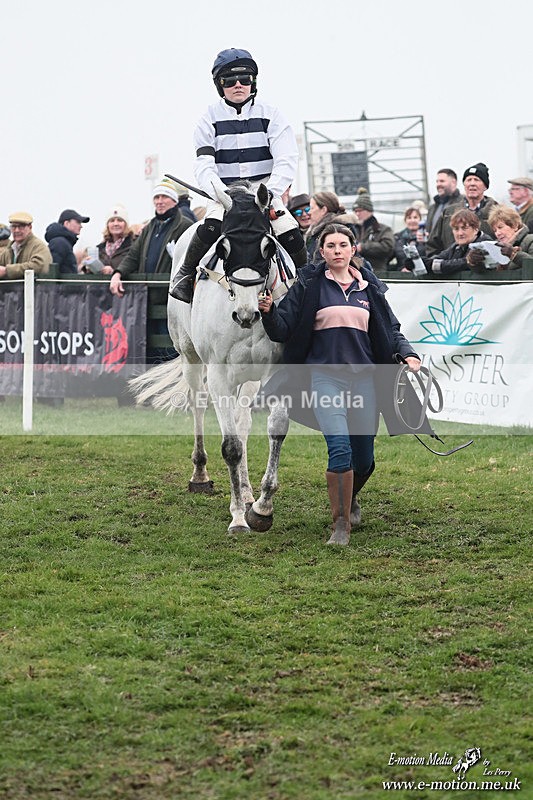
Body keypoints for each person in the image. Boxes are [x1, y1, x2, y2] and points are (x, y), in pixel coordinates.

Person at [258, 223, 422, 546]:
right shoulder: (309, 284)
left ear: (353, 249)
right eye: (330, 245)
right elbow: (282, 328)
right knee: (340, 447)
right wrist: (267, 312)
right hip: (324, 379)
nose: (337, 250)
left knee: (364, 460)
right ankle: (341, 525)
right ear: (322, 252)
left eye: (342, 245)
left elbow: (391, 329)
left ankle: (347, 498)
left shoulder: (368, 288)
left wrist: (408, 353)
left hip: (364, 381)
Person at [170, 47, 306, 302]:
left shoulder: (272, 115)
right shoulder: (207, 119)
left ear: (253, 82)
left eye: (245, 79)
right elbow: (204, 164)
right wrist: (219, 191)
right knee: (211, 226)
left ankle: (308, 282)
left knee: (289, 230)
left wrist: (268, 192)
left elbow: (287, 159)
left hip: (264, 193)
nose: (238, 85)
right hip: (226, 193)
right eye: (229, 81)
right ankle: (185, 275)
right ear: (219, 85)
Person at [109, 176, 193, 363]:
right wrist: (118, 273)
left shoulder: (185, 225)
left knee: (171, 347)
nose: (160, 201)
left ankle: (172, 387)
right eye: (157, 198)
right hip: (146, 298)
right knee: (149, 346)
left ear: (174, 200)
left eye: (164, 197)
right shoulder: (150, 227)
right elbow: (133, 255)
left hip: (172, 299)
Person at [426, 163, 497, 258]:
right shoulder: (449, 213)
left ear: (485, 186)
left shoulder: (496, 212)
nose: (472, 183)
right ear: (464, 184)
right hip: (452, 269)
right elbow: (432, 245)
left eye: (477, 180)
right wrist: (440, 264)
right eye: (468, 180)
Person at [426, 209, 493, 277]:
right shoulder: (456, 246)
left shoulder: (486, 244)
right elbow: (436, 260)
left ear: (476, 229)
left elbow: (475, 265)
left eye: (464, 228)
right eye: (456, 229)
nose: (460, 233)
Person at [352, 188, 395, 274]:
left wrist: (363, 247)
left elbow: (388, 247)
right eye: (355, 211)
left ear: (369, 211)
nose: (357, 214)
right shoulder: (352, 229)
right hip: (355, 274)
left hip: (377, 274)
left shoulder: (383, 229)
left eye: (360, 211)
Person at [305, 191, 356, 263]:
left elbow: (320, 263)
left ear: (323, 210)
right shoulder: (318, 230)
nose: (309, 212)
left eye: (312, 208)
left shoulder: (333, 231)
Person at [481, 206, 533, 273]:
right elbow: (486, 273)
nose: (498, 233)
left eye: (500, 227)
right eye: (495, 230)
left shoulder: (530, 240)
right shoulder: (495, 247)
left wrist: (513, 254)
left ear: (515, 226)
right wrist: (475, 262)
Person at [0, 212, 51, 279]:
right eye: (14, 227)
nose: (17, 230)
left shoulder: (39, 246)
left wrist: (7, 271)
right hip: (12, 289)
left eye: (21, 227)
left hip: (35, 289)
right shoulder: (9, 249)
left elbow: (39, 266)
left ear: (30, 227)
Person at [86, 204, 134, 275]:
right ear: (107, 225)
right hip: (101, 286)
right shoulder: (99, 249)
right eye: (112, 221)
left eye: (120, 220)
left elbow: (136, 269)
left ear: (126, 224)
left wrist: (115, 272)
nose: (116, 224)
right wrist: (89, 267)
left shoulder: (134, 246)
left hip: (124, 285)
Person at [45, 209, 90, 273]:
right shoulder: (59, 243)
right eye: (78, 222)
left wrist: (80, 268)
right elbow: (51, 270)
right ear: (66, 223)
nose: (81, 226)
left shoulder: (63, 242)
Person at [426, 168, 462, 234]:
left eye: (442, 181)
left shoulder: (462, 204)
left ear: (453, 183)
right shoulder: (432, 208)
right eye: (437, 181)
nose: (438, 184)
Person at [392, 207, 427, 272]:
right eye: (409, 218)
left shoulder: (426, 236)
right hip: (402, 275)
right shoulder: (398, 237)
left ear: (420, 220)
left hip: (423, 275)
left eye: (415, 217)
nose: (412, 220)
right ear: (405, 220)